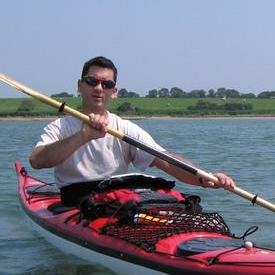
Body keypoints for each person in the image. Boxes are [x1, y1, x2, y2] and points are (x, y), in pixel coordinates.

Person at [30, 56, 235, 192]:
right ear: (80, 85)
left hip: (116, 202)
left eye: (107, 84)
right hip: (75, 203)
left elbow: (165, 161)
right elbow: (37, 161)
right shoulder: (60, 127)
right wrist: (83, 136)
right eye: (92, 81)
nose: (99, 88)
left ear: (114, 91)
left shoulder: (124, 128)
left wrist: (203, 178)